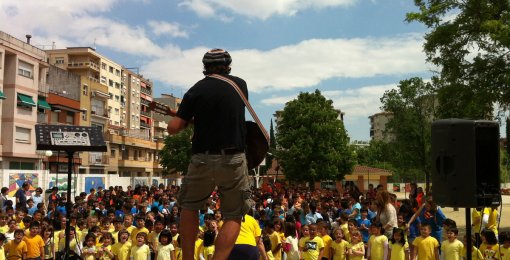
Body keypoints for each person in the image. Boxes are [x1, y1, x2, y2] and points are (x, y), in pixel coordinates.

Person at [166, 48, 253, 259]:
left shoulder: (196, 90)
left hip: (202, 158)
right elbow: (225, 118)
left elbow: (174, 128)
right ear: (228, 66)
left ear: (204, 67)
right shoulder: (239, 85)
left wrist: (181, 118)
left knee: (190, 207)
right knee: (234, 214)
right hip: (233, 158)